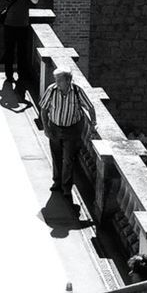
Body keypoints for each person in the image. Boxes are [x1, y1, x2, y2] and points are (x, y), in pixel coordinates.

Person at [39, 69, 96, 199]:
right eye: (56, 80)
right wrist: (46, 128)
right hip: (54, 127)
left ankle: (66, 187)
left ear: (68, 80)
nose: (57, 83)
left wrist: (94, 123)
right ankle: (57, 181)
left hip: (71, 130)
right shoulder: (51, 90)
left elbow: (90, 107)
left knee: (68, 159)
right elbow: (43, 109)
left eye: (59, 80)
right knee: (56, 156)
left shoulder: (77, 91)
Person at [1, 0, 38, 98]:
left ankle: (22, 76)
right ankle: (9, 75)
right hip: (9, 25)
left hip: (23, 25)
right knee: (9, 51)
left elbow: (35, 1)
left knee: (22, 52)